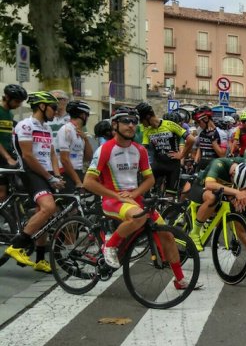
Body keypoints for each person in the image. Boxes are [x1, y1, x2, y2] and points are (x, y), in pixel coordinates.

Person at [82, 107, 191, 287]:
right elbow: (88, 182)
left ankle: (179, 279)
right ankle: (109, 246)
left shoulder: (139, 150)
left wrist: (134, 194)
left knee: (167, 235)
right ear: (115, 125)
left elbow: (150, 179)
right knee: (138, 217)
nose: (131, 125)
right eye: (126, 121)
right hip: (112, 201)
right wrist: (118, 196)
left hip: (134, 200)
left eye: (134, 121)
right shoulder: (105, 149)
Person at [2, 91, 65, 272]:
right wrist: (49, 177)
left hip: (45, 173)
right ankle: (16, 246)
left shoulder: (45, 127)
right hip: (30, 173)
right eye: (53, 107)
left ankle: (39, 259)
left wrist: (56, 174)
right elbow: (28, 156)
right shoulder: (25, 125)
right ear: (42, 106)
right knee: (48, 208)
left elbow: (52, 153)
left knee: (44, 217)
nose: (56, 111)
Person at [137, 102, 195, 197]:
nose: (141, 123)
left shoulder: (170, 124)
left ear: (147, 117)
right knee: (144, 193)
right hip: (157, 164)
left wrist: (181, 155)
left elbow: (191, 139)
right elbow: (144, 149)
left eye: (141, 120)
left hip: (172, 166)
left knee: (169, 198)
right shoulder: (146, 129)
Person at [56, 100, 94, 193]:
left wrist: (86, 139)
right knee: (74, 206)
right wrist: (77, 181)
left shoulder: (80, 132)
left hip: (78, 170)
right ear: (83, 115)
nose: (87, 118)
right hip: (65, 173)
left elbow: (88, 158)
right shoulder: (66, 130)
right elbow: (64, 159)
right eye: (87, 115)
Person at [0, 84, 26, 201]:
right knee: (2, 192)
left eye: (20, 102)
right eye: (16, 101)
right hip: (3, 157)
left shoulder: (10, 114)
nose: (18, 105)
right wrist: (8, 157)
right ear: (7, 97)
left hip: (7, 155)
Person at [192, 106, 225, 172]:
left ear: (206, 119)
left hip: (215, 167)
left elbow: (222, 155)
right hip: (202, 165)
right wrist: (195, 162)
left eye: (199, 122)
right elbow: (200, 148)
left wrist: (213, 141)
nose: (198, 125)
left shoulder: (221, 133)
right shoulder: (201, 133)